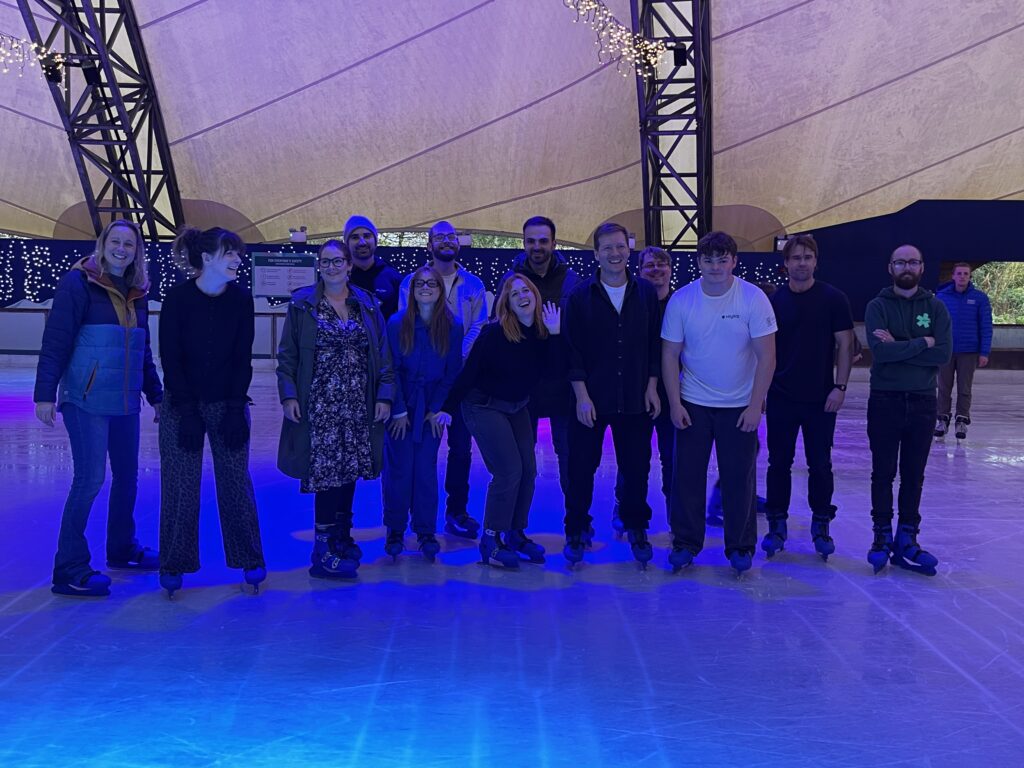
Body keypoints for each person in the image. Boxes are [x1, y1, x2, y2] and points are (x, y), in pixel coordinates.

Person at [34, 219, 163, 597]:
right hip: (86, 399)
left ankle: (122, 548)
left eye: (129, 244)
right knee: (90, 479)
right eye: (115, 241)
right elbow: (56, 339)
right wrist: (45, 394)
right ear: (103, 244)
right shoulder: (78, 283)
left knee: (127, 477)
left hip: (125, 400)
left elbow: (142, 348)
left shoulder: (138, 291)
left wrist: (156, 395)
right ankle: (69, 567)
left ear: (137, 251)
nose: (122, 249)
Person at [661, 231, 777, 575]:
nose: (715, 266)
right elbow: (669, 355)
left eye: (722, 259)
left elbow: (767, 357)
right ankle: (685, 543)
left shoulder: (753, 298)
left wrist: (755, 405)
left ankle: (740, 546)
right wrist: (675, 403)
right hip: (693, 403)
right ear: (698, 262)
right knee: (687, 478)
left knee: (739, 478)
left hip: (739, 406)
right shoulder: (682, 300)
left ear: (733, 262)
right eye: (708, 260)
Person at [158, 226, 266, 597]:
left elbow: (242, 357)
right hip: (181, 405)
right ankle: (174, 562)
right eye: (229, 252)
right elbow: (171, 358)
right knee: (180, 485)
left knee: (236, 483)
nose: (238, 259)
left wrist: (235, 407)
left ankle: (249, 557)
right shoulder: (177, 299)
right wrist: (186, 410)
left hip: (227, 403)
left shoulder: (241, 299)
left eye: (238, 253)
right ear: (206, 258)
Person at [277, 239, 394, 578]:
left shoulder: (366, 304)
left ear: (349, 265)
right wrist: (288, 396)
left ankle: (342, 536)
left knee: (349, 470)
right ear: (319, 266)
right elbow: (287, 356)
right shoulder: (303, 305)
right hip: (320, 406)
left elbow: (383, 356)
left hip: (358, 405)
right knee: (327, 475)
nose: (332, 267)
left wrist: (384, 396)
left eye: (338, 261)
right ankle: (322, 551)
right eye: (325, 262)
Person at [443, 276, 561, 568]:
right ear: (506, 303)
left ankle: (515, 533)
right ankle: (491, 539)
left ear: (535, 295)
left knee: (528, 470)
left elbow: (554, 372)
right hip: (482, 405)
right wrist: (447, 407)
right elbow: (469, 373)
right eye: (514, 293)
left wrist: (556, 335)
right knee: (509, 471)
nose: (522, 296)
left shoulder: (544, 331)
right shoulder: (494, 333)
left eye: (526, 290)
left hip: (516, 405)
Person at [562, 222, 662, 568]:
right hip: (591, 398)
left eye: (620, 246)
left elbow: (653, 343)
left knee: (636, 468)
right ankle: (576, 529)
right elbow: (572, 350)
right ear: (596, 254)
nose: (615, 253)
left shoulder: (646, 292)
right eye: (607, 248)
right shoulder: (579, 296)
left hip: (635, 397)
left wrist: (652, 386)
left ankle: (636, 527)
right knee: (580, 469)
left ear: (629, 249)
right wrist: (581, 396)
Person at [762, 234, 854, 561]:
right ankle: (776, 523)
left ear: (816, 261)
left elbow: (845, 344)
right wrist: (760, 391)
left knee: (820, 464)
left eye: (807, 257)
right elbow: (762, 349)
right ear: (786, 263)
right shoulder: (773, 301)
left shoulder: (834, 298)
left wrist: (840, 387)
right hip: (781, 397)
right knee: (778, 463)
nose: (802, 263)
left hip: (820, 399)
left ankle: (821, 523)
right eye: (796, 258)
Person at [864, 245, 951, 576]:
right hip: (885, 399)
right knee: (883, 473)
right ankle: (882, 535)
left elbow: (942, 354)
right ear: (890, 267)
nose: (907, 267)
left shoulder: (936, 307)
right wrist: (921, 342)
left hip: (922, 402)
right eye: (900, 262)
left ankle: (907, 537)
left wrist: (898, 345)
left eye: (913, 262)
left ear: (922, 267)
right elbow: (880, 353)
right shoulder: (877, 306)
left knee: (914, 474)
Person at [399, 221, 487, 539]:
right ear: (429, 245)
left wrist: (455, 356)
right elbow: (406, 323)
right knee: (420, 449)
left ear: (458, 244)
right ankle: (417, 514)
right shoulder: (411, 282)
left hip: (461, 381)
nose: (447, 241)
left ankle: (456, 511)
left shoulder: (473, 284)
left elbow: (479, 325)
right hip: (422, 383)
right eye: (440, 237)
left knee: (461, 449)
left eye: (452, 236)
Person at [494, 216, 580, 509]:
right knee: (520, 463)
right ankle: (515, 524)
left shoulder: (571, 281)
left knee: (570, 459)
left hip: (562, 386)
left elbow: (580, 334)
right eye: (531, 241)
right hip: (523, 390)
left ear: (554, 243)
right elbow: (499, 330)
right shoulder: (510, 280)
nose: (537, 246)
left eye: (543, 241)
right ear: (524, 243)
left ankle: (576, 523)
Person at [383, 265, 463, 562]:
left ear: (440, 290)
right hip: (400, 406)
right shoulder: (396, 323)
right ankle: (395, 528)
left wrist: (436, 408)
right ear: (412, 291)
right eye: (420, 284)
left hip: (431, 409)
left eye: (432, 284)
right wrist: (398, 410)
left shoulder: (453, 326)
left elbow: (452, 372)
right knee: (399, 468)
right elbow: (390, 368)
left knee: (426, 470)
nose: (426, 288)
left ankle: (426, 530)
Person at [611, 246, 675, 533]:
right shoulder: (629, 303)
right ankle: (624, 506)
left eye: (662, 264)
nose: (656, 270)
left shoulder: (681, 303)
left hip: (673, 395)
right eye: (650, 265)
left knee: (672, 457)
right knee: (633, 457)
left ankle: (675, 512)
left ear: (670, 270)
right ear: (639, 271)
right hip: (636, 391)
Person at [935, 262, 992, 441]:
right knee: (943, 387)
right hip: (946, 351)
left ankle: (961, 420)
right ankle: (942, 419)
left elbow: (985, 326)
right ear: (953, 276)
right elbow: (935, 324)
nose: (962, 277)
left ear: (970, 277)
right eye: (959, 273)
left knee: (964, 388)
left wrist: (984, 352)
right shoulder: (941, 297)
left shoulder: (980, 298)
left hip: (969, 352)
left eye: (965, 274)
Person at [344, 215, 403, 318]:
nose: (362, 242)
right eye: (355, 237)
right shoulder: (339, 277)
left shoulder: (393, 277)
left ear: (375, 241)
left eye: (367, 236)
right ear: (347, 243)